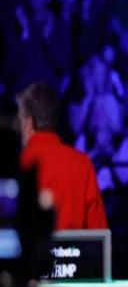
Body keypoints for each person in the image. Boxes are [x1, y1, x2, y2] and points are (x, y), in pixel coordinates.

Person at [17, 82, 108, 230]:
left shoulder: (18, 165)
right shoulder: (82, 164)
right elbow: (99, 233)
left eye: (19, 121)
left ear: (28, 123)